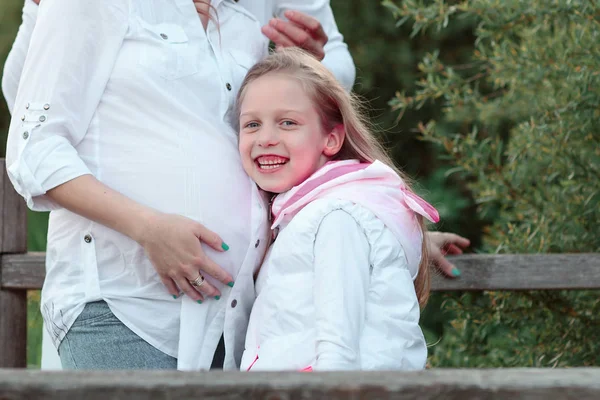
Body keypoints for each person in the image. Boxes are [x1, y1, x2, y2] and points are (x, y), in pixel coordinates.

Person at [3, 0, 355, 370]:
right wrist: (148, 228)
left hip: (233, 322)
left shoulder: (246, 21)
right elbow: (34, 146)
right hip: (122, 307)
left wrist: (309, 65)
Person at [235, 48, 439, 371]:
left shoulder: (337, 217)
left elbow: (338, 349)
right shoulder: (301, 216)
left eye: (287, 123)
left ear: (330, 139)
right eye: (252, 125)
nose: (266, 138)